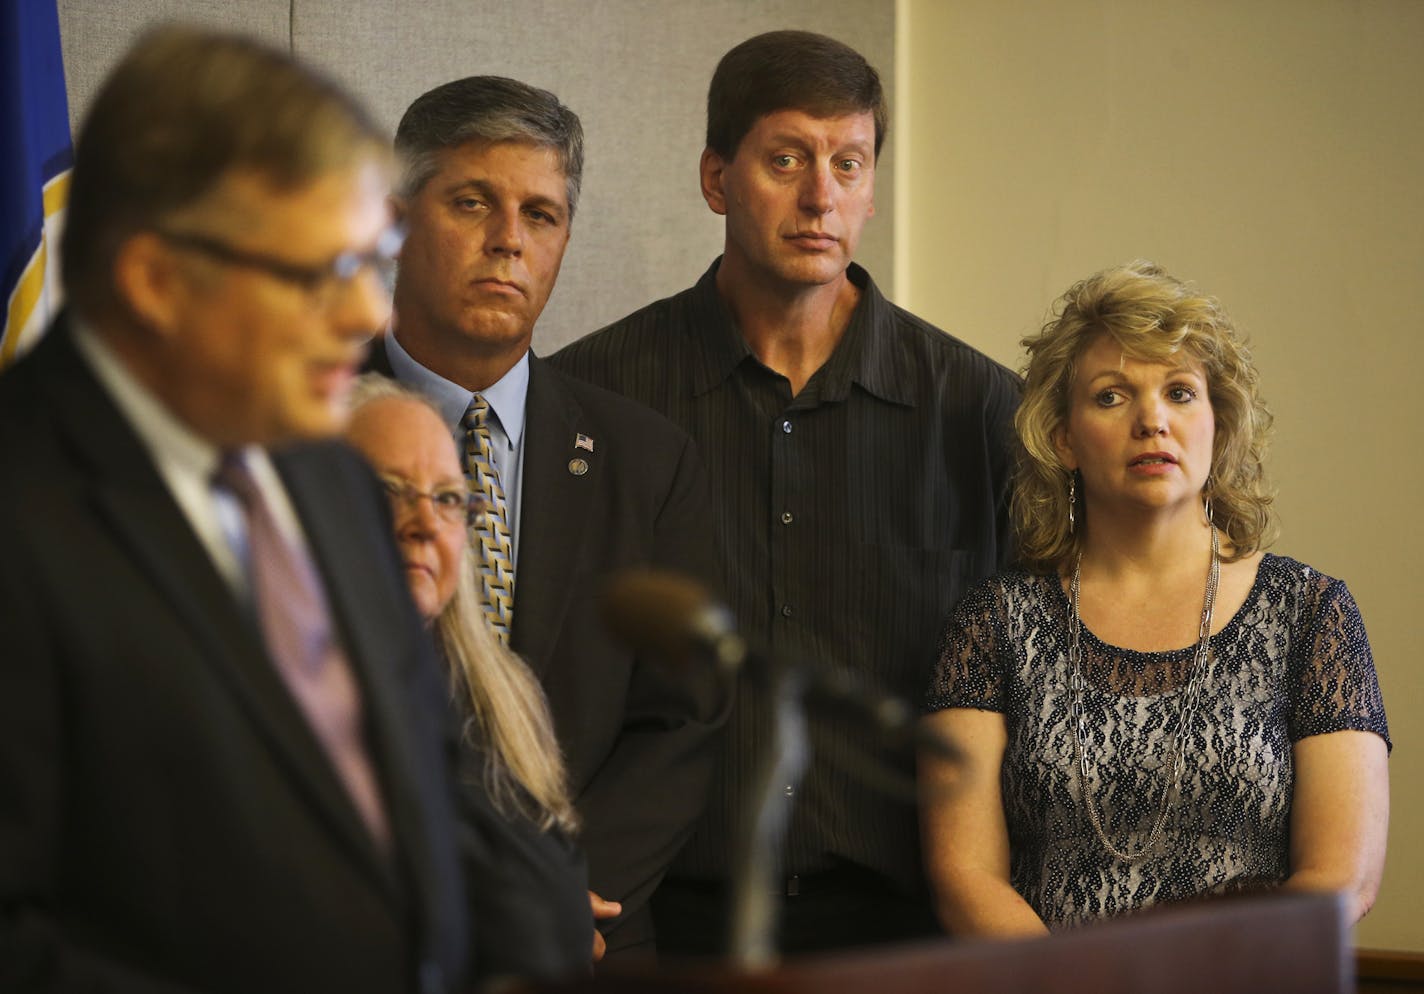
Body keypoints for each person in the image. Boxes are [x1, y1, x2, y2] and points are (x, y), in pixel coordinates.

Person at [0, 26, 483, 993]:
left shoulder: (333, 475)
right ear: (156, 279)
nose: (366, 316)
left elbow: (426, 786)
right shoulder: (21, 512)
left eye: (374, 260)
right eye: (321, 271)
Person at [552, 30, 1020, 955]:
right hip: (658, 922)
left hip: (907, 929)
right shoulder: (594, 398)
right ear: (716, 179)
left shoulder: (980, 410)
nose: (821, 197)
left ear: (873, 190)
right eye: (787, 160)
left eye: (848, 163)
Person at [920, 261, 1390, 936]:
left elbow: (1342, 881)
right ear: (1064, 439)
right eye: (1111, 396)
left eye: (1179, 392)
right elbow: (965, 877)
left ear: (1218, 427)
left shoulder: (1312, 612)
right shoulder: (993, 622)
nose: (1152, 420)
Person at [372, 74, 728, 957]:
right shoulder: (297, 432)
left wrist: (557, 889)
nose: (507, 243)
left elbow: (685, 718)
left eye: (541, 215)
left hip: (581, 937)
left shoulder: (649, 462)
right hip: (356, 923)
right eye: (471, 203)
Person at [345, 376, 597, 977]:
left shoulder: (504, 694)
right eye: (389, 491)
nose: (424, 524)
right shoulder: (296, 705)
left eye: (448, 499)